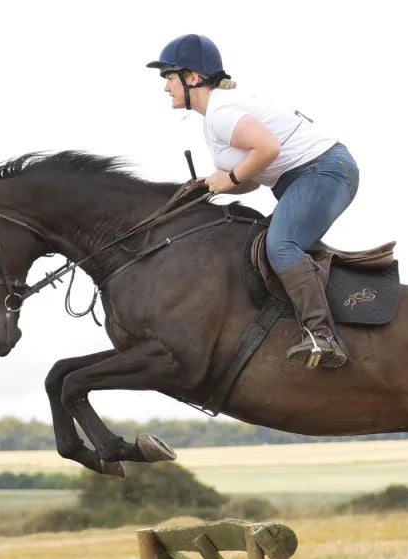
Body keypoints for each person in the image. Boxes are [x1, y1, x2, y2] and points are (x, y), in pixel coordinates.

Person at [146, 34, 359, 369]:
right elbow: (251, 178)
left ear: (192, 77)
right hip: (311, 175)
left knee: (281, 246)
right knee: (260, 245)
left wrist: (226, 179)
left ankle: (322, 335)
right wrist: (208, 187)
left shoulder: (221, 112)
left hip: (324, 172)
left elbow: (268, 148)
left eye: (169, 77)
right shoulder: (215, 117)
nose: (165, 87)